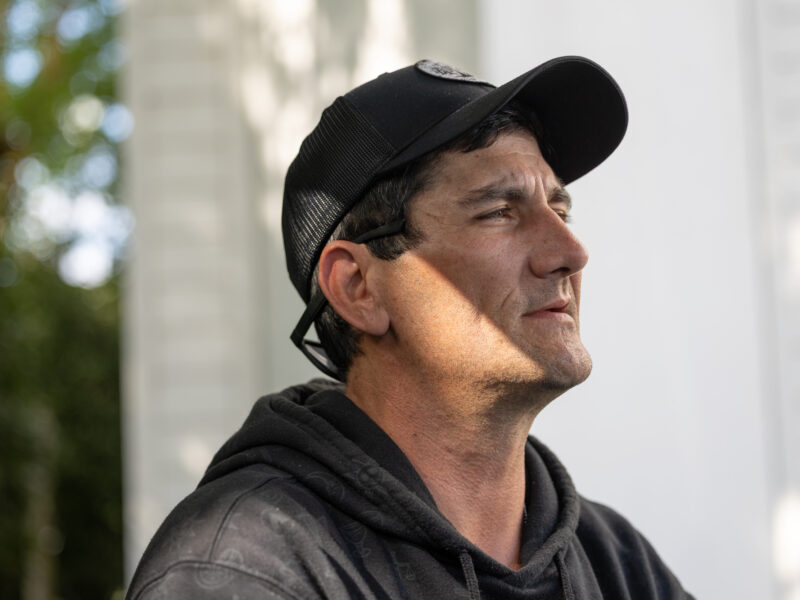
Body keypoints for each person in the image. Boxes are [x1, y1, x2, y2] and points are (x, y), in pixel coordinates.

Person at [126, 57, 695, 599]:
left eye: (560, 210)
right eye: (499, 212)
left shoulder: (616, 563)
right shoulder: (242, 567)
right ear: (357, 287)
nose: (570, 252)